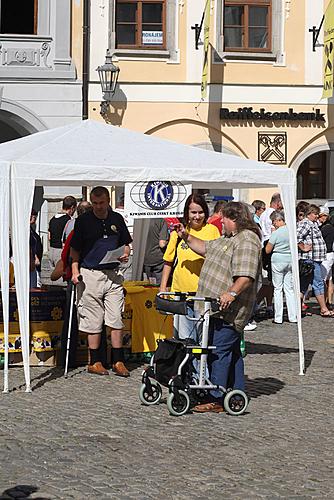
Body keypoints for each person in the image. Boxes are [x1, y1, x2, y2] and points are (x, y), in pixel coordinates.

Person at [173, 202, 262, 413]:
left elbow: (246, 276)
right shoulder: (228, 239)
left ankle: (217, 397)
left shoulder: (247, 239)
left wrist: (231, 293)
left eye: (223, 218)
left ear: (234, 219)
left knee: (218, 350)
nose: (220, 221)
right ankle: (235, 393)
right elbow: (204, 247)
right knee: (230, 351)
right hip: (213, 308)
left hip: (230, 309)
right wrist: (185, 235)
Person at [70, 186, 132, 376]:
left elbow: (125, 244)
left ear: (108, 202)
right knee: (93, 318)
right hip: (90, 273)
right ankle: (95, 361)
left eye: (101, 203)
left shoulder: (116, 219)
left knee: (116, 318)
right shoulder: (83, 221)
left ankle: (118, 360)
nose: (98, 207)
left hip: (112, 273)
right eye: (95, 203)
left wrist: (125, 254)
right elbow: (75, 250)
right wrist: (74, 271)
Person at [160, 193, 220, 340]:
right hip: (182, 292)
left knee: (203, 338)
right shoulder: (179, 231)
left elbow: (218, 259)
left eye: (201, 212)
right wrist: (163, 287)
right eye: (193, 212)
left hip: (204, 293)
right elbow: (168, 260)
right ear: (187, 213)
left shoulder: (212, 231)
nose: (197, 216)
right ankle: (187, 364)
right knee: (185, 338)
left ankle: (201, 364)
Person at [297, 204, 333, 317]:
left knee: (303, 286)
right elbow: (297, 236)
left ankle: (297, 309)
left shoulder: (312, 223)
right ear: (310, 213)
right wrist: (303, 247)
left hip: (314, 259)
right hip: (310, 259)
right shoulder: (306, 223)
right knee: (318, 283)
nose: (317, 216)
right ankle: (323, 309)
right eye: (315, 214)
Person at [265, 211, 297, 324]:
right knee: (289, 289)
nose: (273, 224)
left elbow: (267, 250)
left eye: (274, 221)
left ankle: (278, 317)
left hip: (278, 260)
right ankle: (293, 316)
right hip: (290, 259)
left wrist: (272, 234)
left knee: (278, 289)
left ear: (279, 220)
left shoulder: (276, 233)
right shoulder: (292, 231)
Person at [48, 196, 77, 268]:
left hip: (51, 251)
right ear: (72, 207)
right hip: (61, 251)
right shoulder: (69, 220)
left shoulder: (53, 219)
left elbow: (49, 237)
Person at [143, 218, 169, 285]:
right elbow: (162, 244)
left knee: (150, 285)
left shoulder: (141, 219)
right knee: (158, 287)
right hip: (158, 260)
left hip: (145, 259)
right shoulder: (161, 220)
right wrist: (170, 238)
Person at [30, 209, 43, 288]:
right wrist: (35, 257)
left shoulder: (31, 230)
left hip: (35, 265)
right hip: (32, 263)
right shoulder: (26, 230)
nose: (35, 218)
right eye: (33, 216)